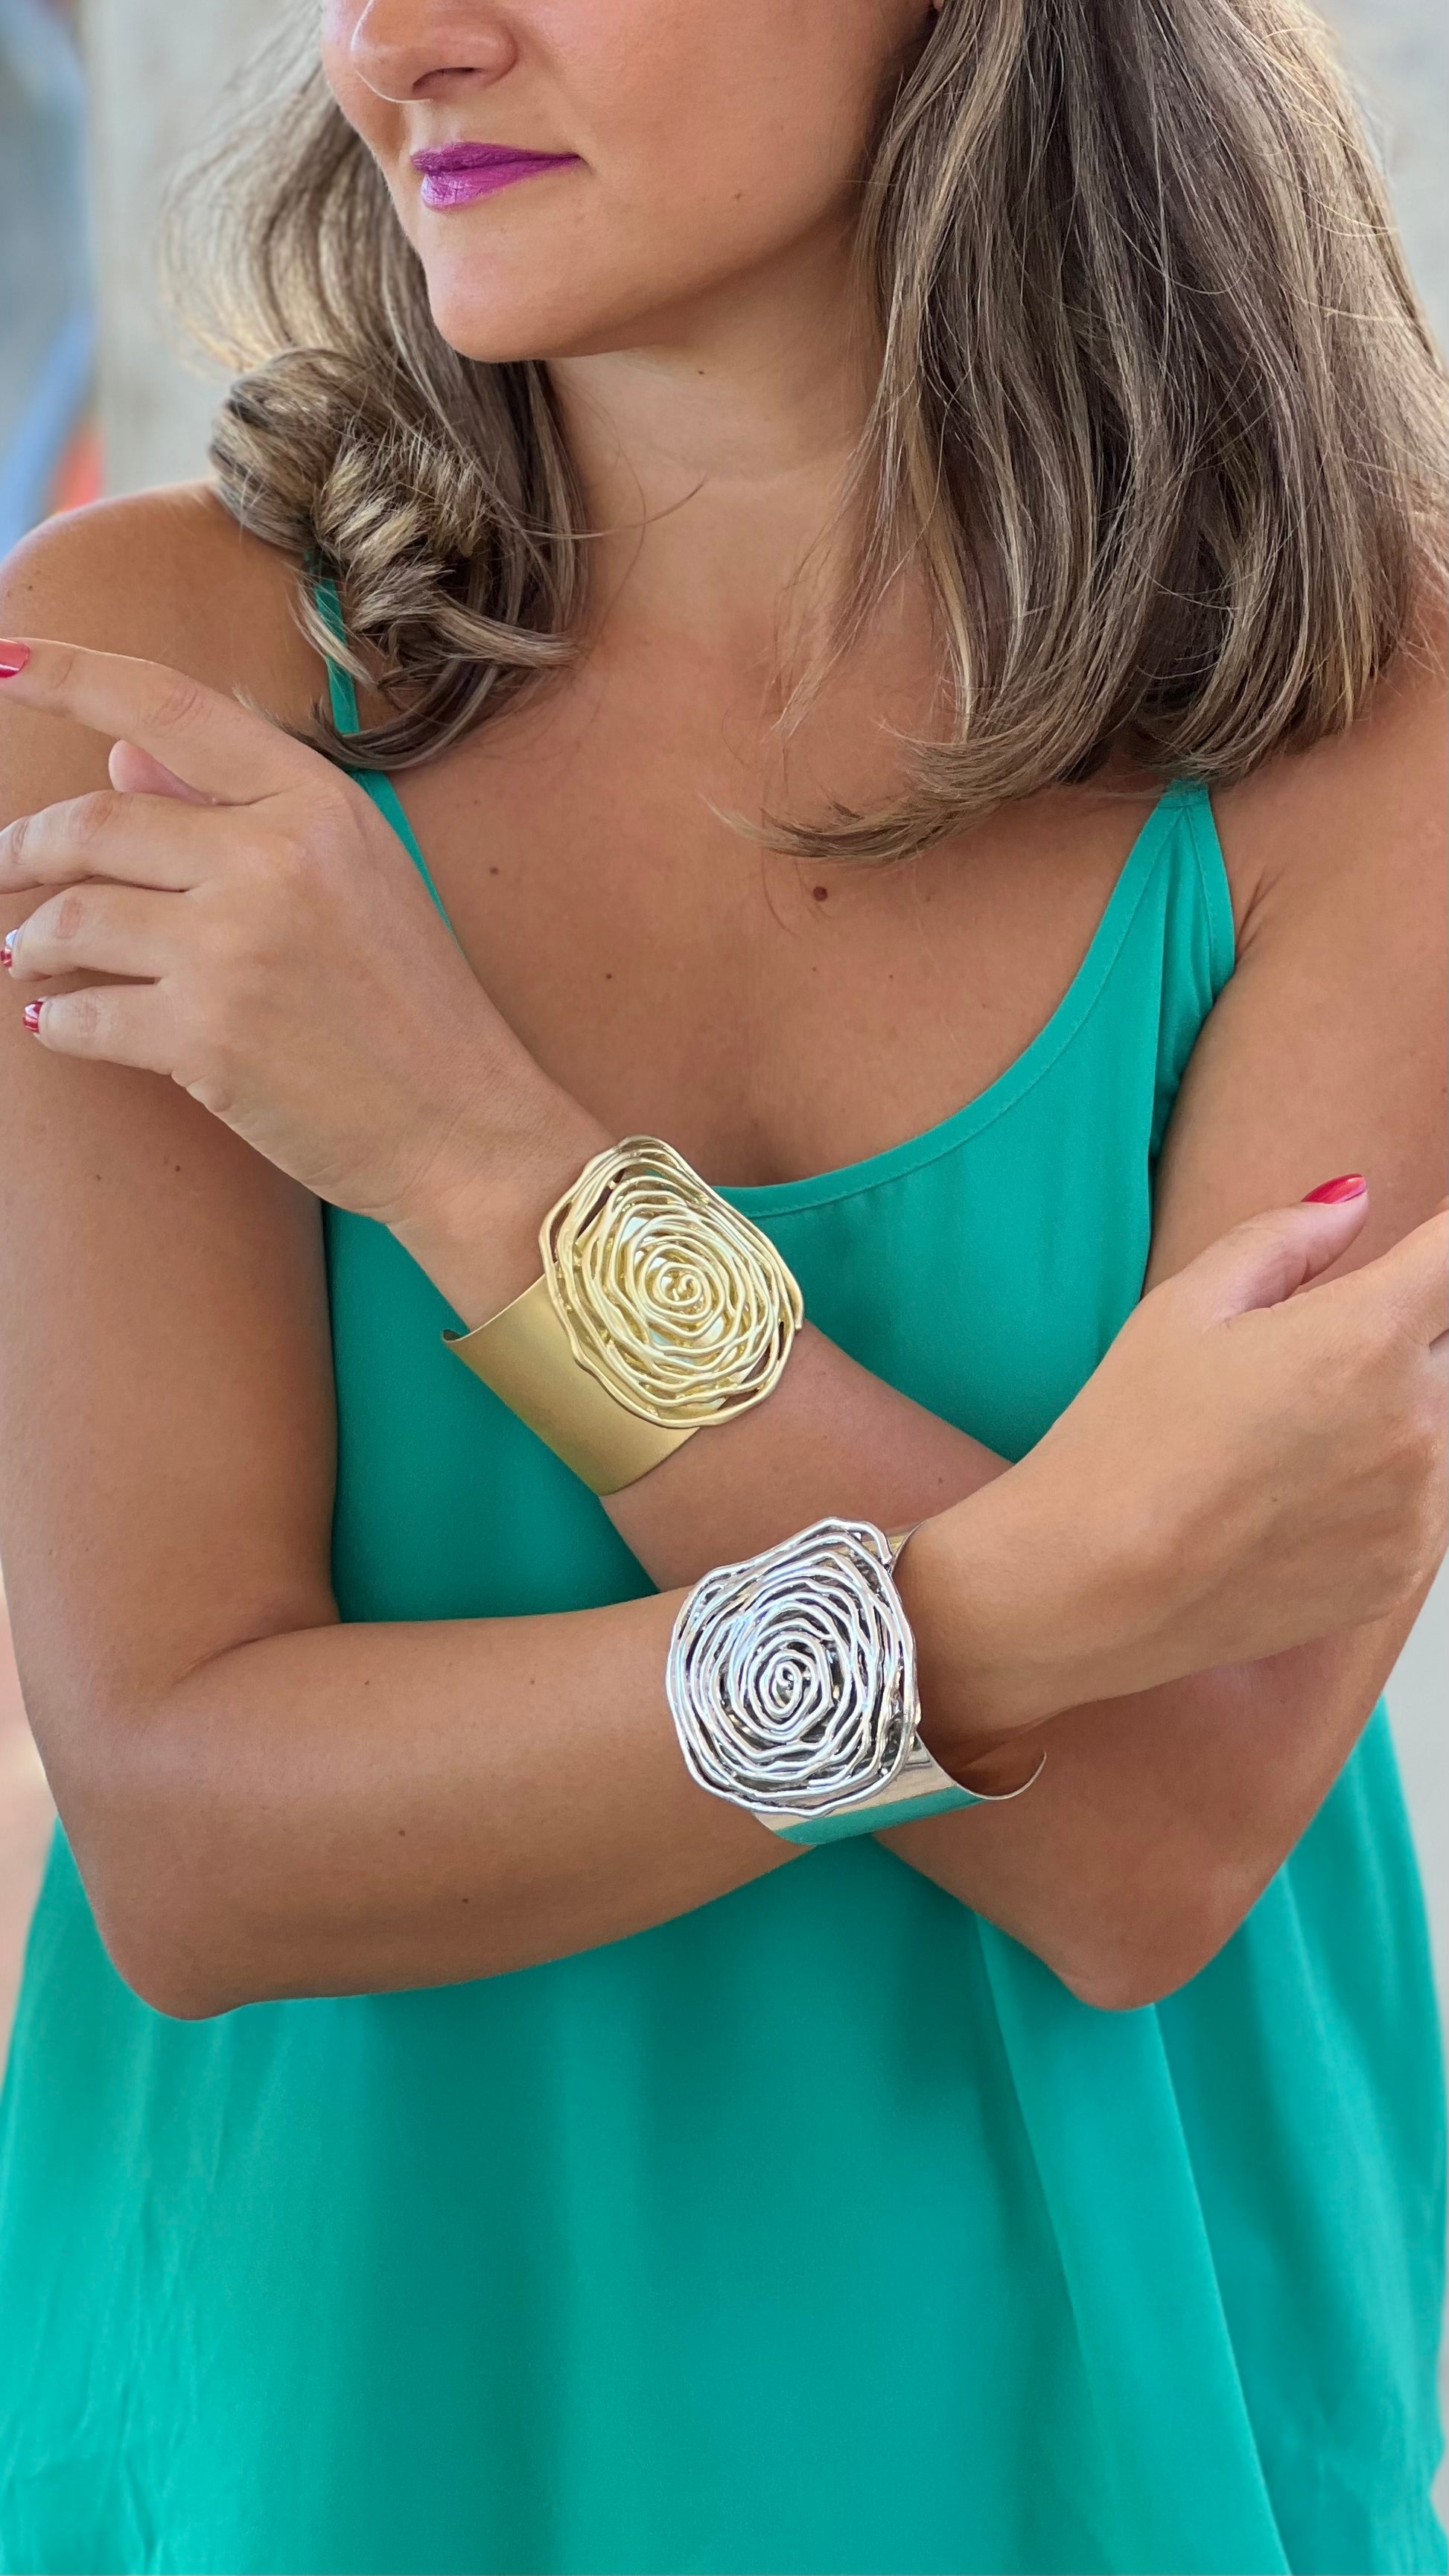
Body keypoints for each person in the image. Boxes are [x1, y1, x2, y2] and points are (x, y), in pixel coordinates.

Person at [0, 2, 1444, 2569]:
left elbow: (1145, 1853)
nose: (395, 48)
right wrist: (1007, 1609)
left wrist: (475, 1161)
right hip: (336, 2441)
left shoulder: (1373, 720)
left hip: (1112, 2441)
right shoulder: (144, 683)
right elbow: (197, 1846)